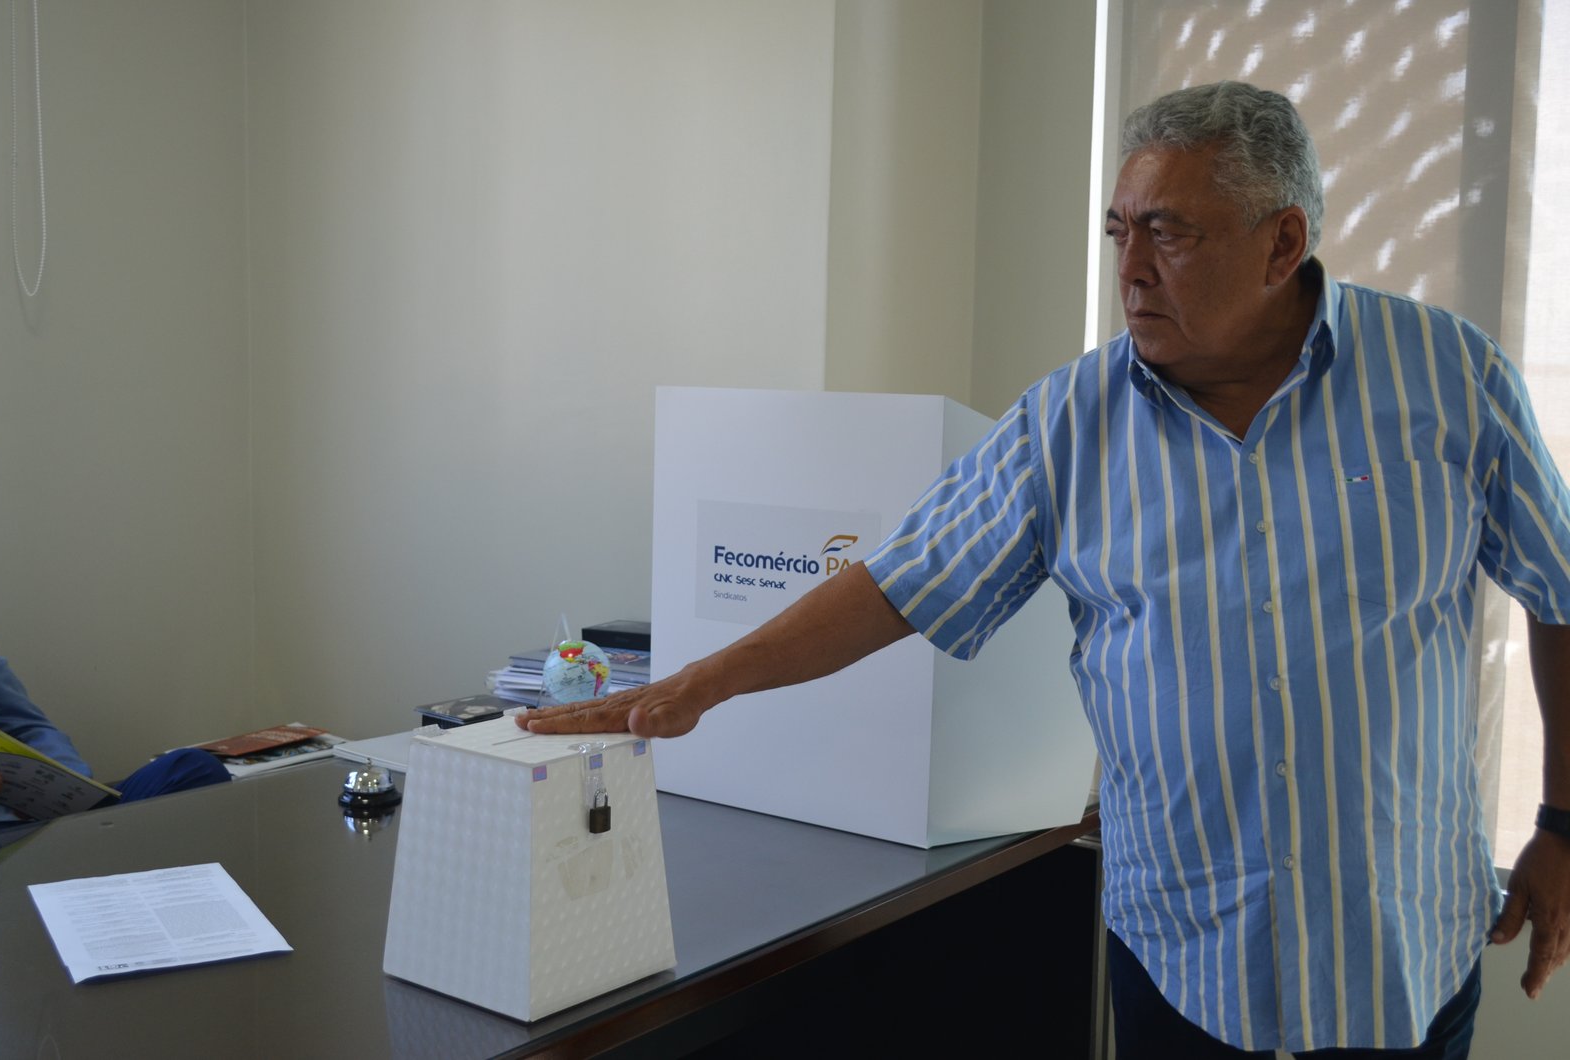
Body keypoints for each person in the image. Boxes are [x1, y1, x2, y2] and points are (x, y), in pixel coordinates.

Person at [519, 81, 1570, 1057]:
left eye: (1169, 232)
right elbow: (898, 584)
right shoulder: (1068, 421)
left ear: (1282, 242)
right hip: (1186, 952)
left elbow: (1559, 588)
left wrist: (1562, 823)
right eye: (1119, 231)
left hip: (1395, 947)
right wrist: (695, 686)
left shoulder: (1449, 375)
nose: (1130, 268)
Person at [0, 598, 229, 827]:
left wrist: (72, 788)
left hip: (30, 821)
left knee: (197, 769)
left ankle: (90, 845)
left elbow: (26, 724)